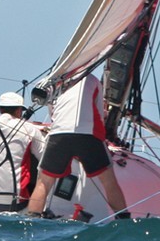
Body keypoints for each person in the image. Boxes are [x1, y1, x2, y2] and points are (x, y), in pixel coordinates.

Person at [26, 73, 129, 219]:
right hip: (88, 135)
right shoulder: (93, 81)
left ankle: (32, 218)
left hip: (59, 134)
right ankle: (124, 219)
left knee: (44, 182)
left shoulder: (53, 81)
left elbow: (53, 113)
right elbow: (99, 114)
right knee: (108, 182)